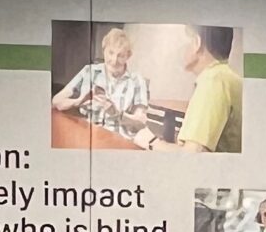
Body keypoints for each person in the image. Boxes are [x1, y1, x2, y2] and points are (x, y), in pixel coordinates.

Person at [51, 25, 151, 143]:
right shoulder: (88, 71)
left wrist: (117, 114)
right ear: (103, 50)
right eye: (111, 53)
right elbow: (56, 101)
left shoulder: (137, 81)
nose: (114, 60)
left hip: (118, 140)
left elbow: (140, 122)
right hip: (87, 136)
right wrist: (78, 101)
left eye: (121, 55)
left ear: (128, 56)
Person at [152, 25, 242, 155]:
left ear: (197, 43)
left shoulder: (214, 80)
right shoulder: (227, 77)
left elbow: (192, 156)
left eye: (185, 41)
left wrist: (150, 142)